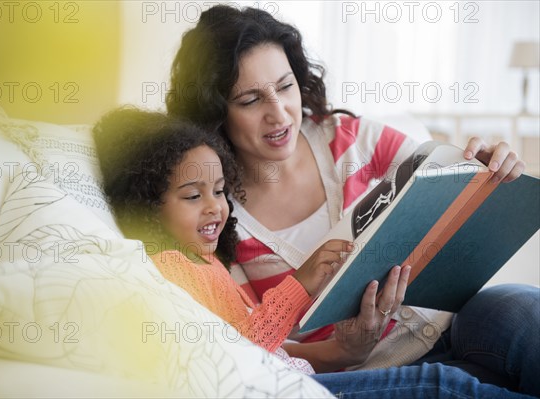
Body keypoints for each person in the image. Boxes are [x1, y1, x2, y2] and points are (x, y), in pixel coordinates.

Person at [165, 4, 540, 397]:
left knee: (525, 311)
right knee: (453, 386)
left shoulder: (351, 139)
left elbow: (444, 179)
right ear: (215, 112)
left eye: (285, 86)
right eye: (250, 100)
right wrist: (344, 349)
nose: (279, 114)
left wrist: (482, 170)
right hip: (355, 372)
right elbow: (257, 346)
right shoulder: (214, 213)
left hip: (449, 323)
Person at [93, 106, 535, 399]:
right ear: (149, 210)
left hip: (315, 369)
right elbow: (241, 350)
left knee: (516, 318)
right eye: (193, 196)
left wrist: (480, 166)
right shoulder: (172, 269)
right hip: (296, 385)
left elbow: (255, 338)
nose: (216, 207)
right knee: (445, 386)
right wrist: (300, 285)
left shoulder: (204, 261)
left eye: (221, 191)